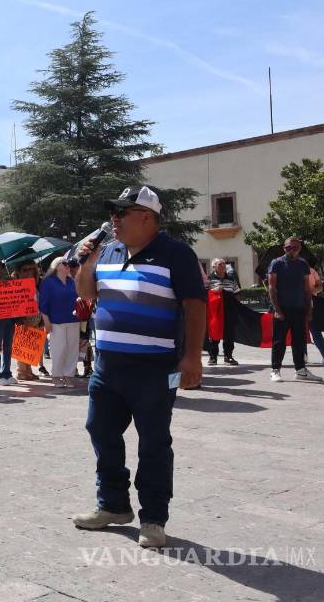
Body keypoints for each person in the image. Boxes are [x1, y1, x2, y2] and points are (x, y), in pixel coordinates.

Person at [72, 186, 206, 549]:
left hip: (155, 368)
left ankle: (153, 518)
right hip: (107, 367)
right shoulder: (110, 250)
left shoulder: (175, 254)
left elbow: (195, 306)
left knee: (154, 442)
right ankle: (113, 505)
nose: (114, 219)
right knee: (100, 431)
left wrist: (192, 358)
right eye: (113, 212)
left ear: (147, 217)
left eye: (122, 213)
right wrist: (87, 261)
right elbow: (87, 293)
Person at [267, 237, 321, 382]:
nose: (291, 250)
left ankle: (301, 371)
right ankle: (275, 370)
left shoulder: (303, 264)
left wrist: (308, 309)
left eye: (295, 248)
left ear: (299, 248)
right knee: (279, 341)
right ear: (284, 248)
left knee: (299, 341)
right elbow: (271, 287)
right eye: (288, 247)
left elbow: (307, 289)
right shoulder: (276, 263)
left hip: (299, 307)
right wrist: (277, 309)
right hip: (282, 308)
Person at [39, 257, 80, 387]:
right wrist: (46, 321)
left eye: (69, 264)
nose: (68, 265)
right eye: (65, 263)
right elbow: (43, 304)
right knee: (59, 349)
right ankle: (56, 375)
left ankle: (68, 376)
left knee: (72, 349)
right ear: (57, 266)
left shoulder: (72, 281)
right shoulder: (48, 282)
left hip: (73, 319)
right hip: (56, 321)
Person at [204, 258, 241, 366]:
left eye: (224, 264)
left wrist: (237, 303)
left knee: (229, 334)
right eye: (220, 264)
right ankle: (213, 357)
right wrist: (212, 290)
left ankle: (228, 356)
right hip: (214, 312)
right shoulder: (208, 279)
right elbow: (202, 293)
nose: (223, 266)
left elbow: (237, 293)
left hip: (229, 311)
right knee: (214, 333)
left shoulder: (231, 279)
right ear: (214, 266)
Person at [13, 260, 43, 381]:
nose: (29, 272)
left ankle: (28, 371)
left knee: (30, 348)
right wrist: (21, 319)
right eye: (25, 269)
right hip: (23, 320)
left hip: (35, 319)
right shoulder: (16, 285)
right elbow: (15, 305)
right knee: (22, 347)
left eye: (31, 269)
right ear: (19, 272)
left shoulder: (36, 284)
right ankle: (21, 371)